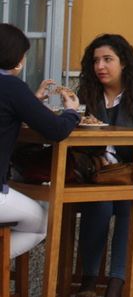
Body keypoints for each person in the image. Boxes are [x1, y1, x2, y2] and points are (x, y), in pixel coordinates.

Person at [75, 34, 133, 297]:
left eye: (107, 60)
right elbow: (76, 144)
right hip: (97, 175)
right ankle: (88, 283)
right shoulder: (86, 96)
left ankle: (116, 284)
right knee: (99, 205)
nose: (100, 66)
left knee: (127, 206)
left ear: (123, 63)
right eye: (96, 61)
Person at [0, 23, 81, 258]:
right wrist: (72, 112)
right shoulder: (12, 86)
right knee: (41, 223)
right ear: (16, 58)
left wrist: (32, 101)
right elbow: (56, 130)